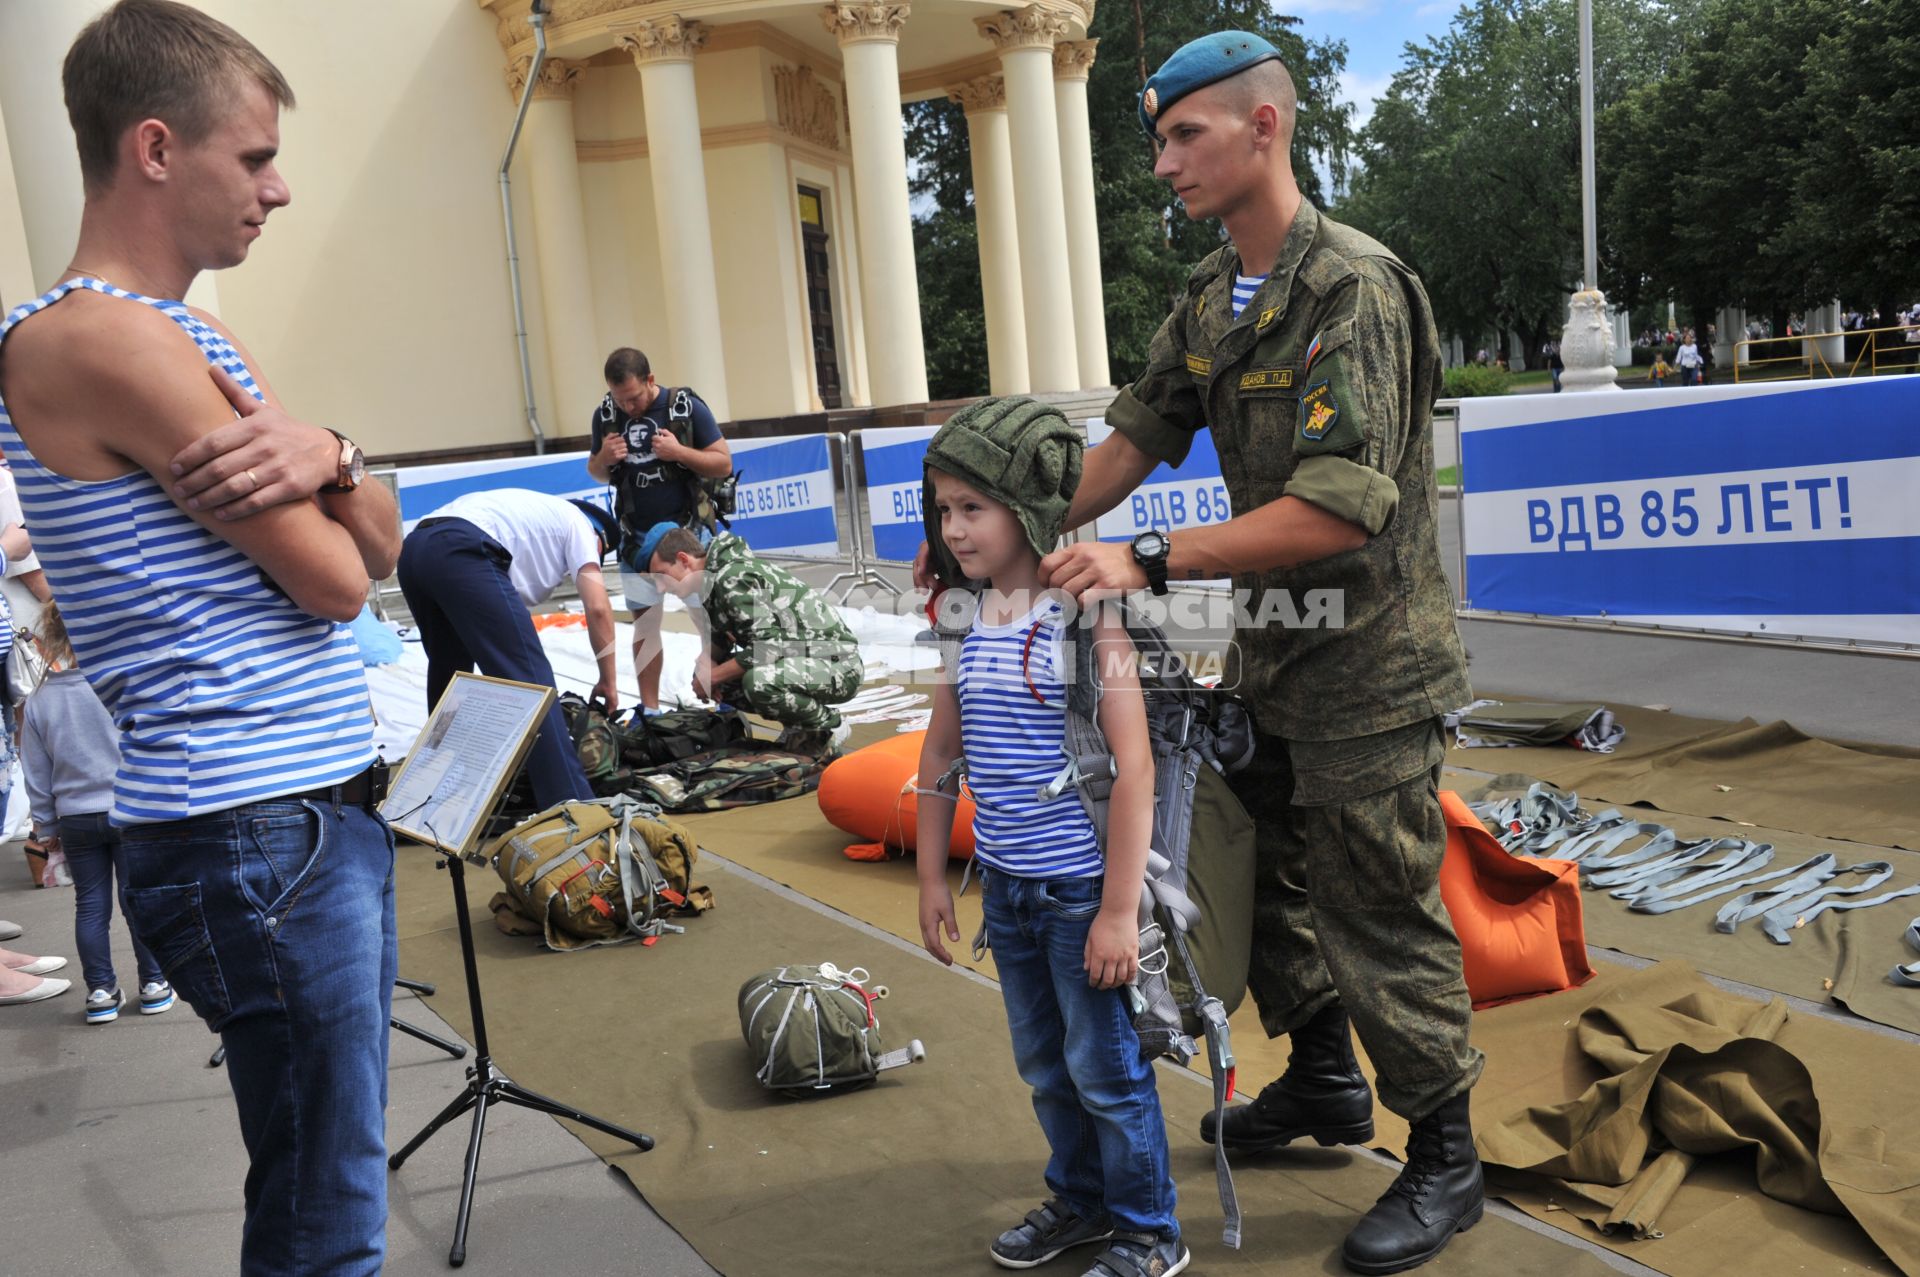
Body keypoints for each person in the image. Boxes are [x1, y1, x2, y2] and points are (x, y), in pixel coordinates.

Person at [919, 32, 1485, 1274]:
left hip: (1371, 668)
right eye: (1161, 136)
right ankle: (1328, 1084)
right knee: (1260, 880)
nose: (1164, 160)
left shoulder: (1352, 290)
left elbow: (1342, 508)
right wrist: (1004, 538)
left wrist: (1150, 562)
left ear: (1265, 128)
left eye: (1185, 135)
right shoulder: (1215, 297)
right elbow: (1126, 441)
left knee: (1376, 901)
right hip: (1276, 664)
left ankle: (1446, 1153)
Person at [0, 2, 402, 1269]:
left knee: (325, 1176)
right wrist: (336, 474)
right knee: (324, 1209)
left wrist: (333, 449)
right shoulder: (100, 337)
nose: (278, 190)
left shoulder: (189, 331)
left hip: (293, 810)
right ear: (158, 148)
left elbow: (381, 534)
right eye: (255, 156)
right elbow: (340, 580)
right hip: (254, 821)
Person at [914, 396, 1187, 1277]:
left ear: (1026, 508)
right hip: (1009, 888)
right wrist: (929, 881)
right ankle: (1083, 1202)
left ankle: (1150, 1230)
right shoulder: (962, 619)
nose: (954, 529)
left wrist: (1117, 913)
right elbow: (939, 756)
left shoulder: (1085, 620)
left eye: (974, 507)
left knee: (1107, 1070)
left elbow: (1134, 768)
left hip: (1080, 897)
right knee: (1044, 1064)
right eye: (944, 508)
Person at [396, 488, 622, 808]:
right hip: (462, 548)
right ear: (599, 539)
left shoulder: (531, 518)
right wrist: (608, 680)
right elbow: (598, 608)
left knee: (450, 672)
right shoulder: (580, 526)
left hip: (415, 550)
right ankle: (571, 803)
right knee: (530, 679)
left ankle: (432, 783)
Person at [19, 602, 173, 1024]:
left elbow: (37, 773)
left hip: (75, 820)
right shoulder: (119, 684)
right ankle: (154, 983)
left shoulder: (40, 701)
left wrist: (46, 827)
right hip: (130, 810)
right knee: (136, 901)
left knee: (90, 906)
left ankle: (101, 991)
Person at [587, 346, 733, 712]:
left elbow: (723, 463)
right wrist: (604, 459)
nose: (628, 408)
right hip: (637, 542)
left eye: (634, 398)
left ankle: (721, 701)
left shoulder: (685, 408)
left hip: (690, 538)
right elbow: (596, 470)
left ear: (650, 380)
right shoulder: (606, 415)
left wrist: (680, 452)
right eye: (620, 400)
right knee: (645, 626)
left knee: (710, 623)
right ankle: (649, 711)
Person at [648, 527, 860, 756]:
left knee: (758, 682)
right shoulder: (713, 579)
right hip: (803, 659)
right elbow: (723, 634)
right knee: (725, 682)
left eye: (661, 575)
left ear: (683, 560)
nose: (660, 587)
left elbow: (768, 646)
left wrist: (713, 675)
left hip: (839, 665)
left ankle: (829, 726)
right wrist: (707, 663)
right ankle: (799, 729)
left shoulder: (731, 578)